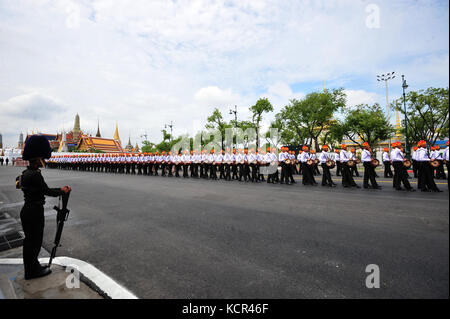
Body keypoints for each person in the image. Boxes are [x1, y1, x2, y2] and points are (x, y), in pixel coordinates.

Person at [18, 135, 71, 280]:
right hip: (34, 211)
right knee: (34, 242)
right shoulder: (35, 175)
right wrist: (62, 191)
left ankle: (32, 266)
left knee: (30, 241)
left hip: (28, 210)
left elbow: (40, 189)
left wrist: (60, 189)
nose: (44, 162)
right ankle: (31, 271)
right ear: (38, 158)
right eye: (42, 159)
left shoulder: (25, 174)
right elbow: (46, 191)